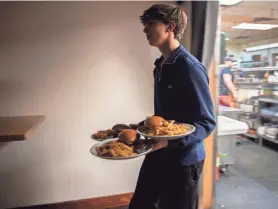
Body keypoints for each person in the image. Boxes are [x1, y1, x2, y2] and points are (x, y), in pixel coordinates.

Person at [129, 4, 216, 209]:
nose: (145, 30)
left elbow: (206, 122)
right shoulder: (160, 66)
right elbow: (166, 116)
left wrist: (169, 143)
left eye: (150, 24)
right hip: (158, 152)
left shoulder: (189, 67)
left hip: (184, 161)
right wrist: (140, 126)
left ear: (170, 27)